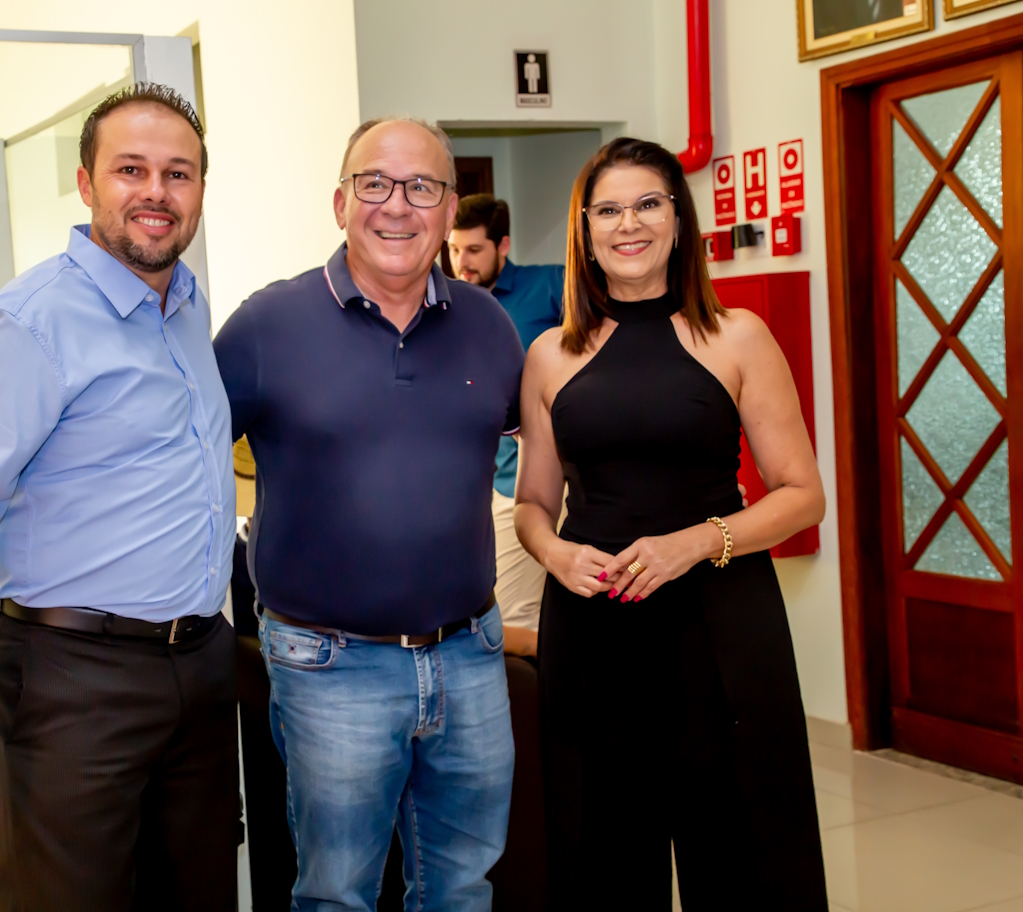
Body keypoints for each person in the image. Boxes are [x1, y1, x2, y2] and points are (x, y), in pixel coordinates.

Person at [0, 83, 239, 912]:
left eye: (178, 173)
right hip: (75, 679)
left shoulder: (185, 310)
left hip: (197, 667)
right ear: (85, 184)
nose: (156, 192)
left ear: (199, 190)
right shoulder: (29, 326)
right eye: (131, 169)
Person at [213, 117, 523, 911]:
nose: (397, 205)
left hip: (471, 654)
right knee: (338, 896)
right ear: (340, 203)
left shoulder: (489, 326)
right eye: (375, 183)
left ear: (449, 211)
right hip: (330, 665)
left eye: (422, 187)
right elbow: (178, 456)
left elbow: (549, 438)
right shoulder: (267, 327)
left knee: (463, 890)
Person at [514, 137, 828, 909]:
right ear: (585, 230)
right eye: (609, 210)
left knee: (744, 846)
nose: (630, 225)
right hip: (594, 627)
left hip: (720, 620)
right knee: (603, 853)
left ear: (679, 220)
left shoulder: (738, 336)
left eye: (648, 204)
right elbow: (531, 505)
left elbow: (802, 495)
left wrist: (697, 542)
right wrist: (554, 554)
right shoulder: (549, 355)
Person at [448, 193, 565, 657]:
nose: (462, 262)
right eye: (454, 249)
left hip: (566, 482)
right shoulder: (446, 304)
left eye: (474, 250)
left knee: (552, 613)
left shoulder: (552, 285)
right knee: (511, 620)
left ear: (503, 245)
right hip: (496, 487)